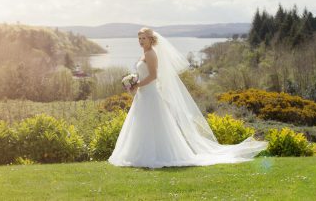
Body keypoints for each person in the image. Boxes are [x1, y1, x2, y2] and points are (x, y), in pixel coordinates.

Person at [108, 27, 268, 169]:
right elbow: (144, 73)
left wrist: (137, 84)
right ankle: (139, 155)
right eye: (139, 38)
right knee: (142, 124)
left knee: (153, 124)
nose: (141, 41)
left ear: (151, 39)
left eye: (144, 38)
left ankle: (156, 155)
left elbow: (154, 75)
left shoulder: (151, 54)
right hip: (144, 95)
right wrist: (134, 82)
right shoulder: (145, 54)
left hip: (150, 94)